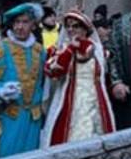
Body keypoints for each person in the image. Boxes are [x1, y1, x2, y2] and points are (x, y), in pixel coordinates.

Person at [0, 4, 50, 157]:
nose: (20, 27)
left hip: (33, 120)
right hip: (9, 116)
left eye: (24, 22)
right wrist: (0, 90)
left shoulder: (40, 51)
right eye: (16, 22)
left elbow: (45, 84)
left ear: (33, 24)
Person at [43, 11, 116, 145]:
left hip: (96, 100)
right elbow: (53, 72)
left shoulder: (97, 49)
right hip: (70, 101)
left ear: (85, 29)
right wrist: (70, 49)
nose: (71, 30)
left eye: (75, 26)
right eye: (68, 26)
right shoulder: (60, 49)